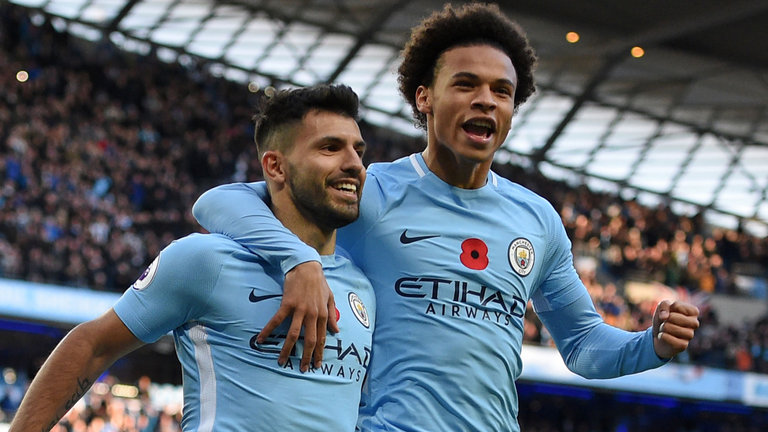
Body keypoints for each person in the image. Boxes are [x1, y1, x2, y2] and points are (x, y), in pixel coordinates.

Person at [191, 4, 700, 431]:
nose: (486, 100)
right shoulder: (372, 191)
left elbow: (583, 343)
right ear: (425, 98)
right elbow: (218, 203)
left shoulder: (537, 219)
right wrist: (298, 261)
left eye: (502, 91)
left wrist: (650, 344)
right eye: (466, 84)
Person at [9, 84, 375, 432]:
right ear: (275, 167)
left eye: (358, 151)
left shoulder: (362, 287)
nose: (355, 164)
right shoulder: (207, 260)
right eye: (330, 148)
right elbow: (93, 347)